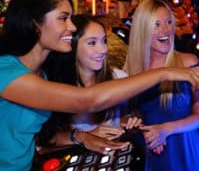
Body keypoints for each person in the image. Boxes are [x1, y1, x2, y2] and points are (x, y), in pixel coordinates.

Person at [0, 0, 199, 171]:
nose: (72, 26)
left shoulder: (44, 73)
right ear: (35, 23)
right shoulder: (6, 71)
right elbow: (87, 100)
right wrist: (165, 72)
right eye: (63, 19)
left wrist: (81, 136)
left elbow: (37, 136)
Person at [123, 0, 199, 171]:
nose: (166, 30)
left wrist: (166, 129)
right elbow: (129, 116)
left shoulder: (189, 62)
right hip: (153, 150)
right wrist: (139, 128)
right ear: (142, 30)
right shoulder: (132, 71)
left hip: (186, 150)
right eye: (156, 24)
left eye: (169, 22)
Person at [37, 14, 142, 153]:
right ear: (72, 46)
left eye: (104, 41)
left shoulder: (119, 78)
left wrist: (129, 122)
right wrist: (87, 136)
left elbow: (134, 116)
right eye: (92, 43)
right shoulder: (54, 87)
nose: (103, 49)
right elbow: (42, 144)